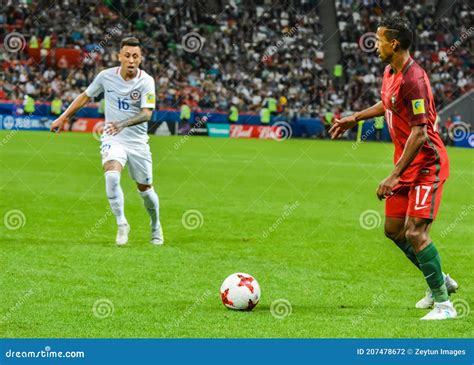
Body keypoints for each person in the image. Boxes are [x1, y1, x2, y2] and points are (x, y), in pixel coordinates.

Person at [329, 17, 458, 320]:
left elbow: (420, 133)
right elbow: (387, 103)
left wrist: (394, 174)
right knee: (394, 231)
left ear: (394, 43)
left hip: (427, 164)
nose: (375, 45)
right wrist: (355, 117)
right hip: (406, 165)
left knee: (415, 231)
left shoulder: (415, 79)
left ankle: (444, 305)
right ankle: (440, 280)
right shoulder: (390, 72)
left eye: (379, 39)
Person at [50, 37, 163, 246]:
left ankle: (156, 225)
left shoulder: (146, 81)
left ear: (140, 59)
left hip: (138, 142)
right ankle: (122, 223)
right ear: (119, 56)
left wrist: (124, 123)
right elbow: (85, 96)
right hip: (113, 137)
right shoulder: (105, 77)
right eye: (127, 55)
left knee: (145, 190)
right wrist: (63, 117)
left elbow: (147, 113)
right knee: (111, 176)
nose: (131, 60)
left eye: (135, 56)